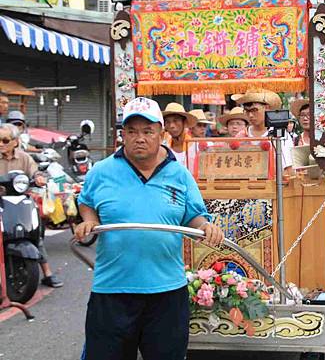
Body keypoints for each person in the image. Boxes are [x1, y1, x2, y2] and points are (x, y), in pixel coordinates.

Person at [75, 97, 224, 360]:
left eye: (147, 131)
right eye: (131, 131)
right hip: (112, 291)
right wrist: (89, 220)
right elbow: (86, 202)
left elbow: (195, 215)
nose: (139, 138)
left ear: (161, 133)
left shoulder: (179, 174)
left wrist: (207, 228)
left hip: (166, 293)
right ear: (123, 135)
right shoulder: (101, 171)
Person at [0, 123, 62, 288]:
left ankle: (47, 273)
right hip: (0, 203)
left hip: (20, 202)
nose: (1, 144)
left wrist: (39, 177)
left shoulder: (24, 158)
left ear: (15, 141)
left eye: (5, 140)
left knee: (35, 234)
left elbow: (36, 172)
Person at [232, 88, 293, 171]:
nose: (250, 115)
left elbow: (288, 168)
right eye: (247, 111)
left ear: (267, 108)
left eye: (254, 110)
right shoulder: (241, 136)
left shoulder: (279, 134)